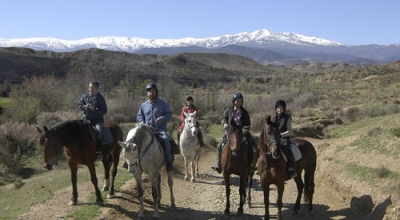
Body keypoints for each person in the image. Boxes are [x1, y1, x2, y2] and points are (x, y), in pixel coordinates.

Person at [211, 93, 257, 174]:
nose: (238, 103)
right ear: (234, 101)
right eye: (237, 101)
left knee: (251, 146)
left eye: (240, 101)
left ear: (242, 102)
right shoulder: (228, 111)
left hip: (243, 134)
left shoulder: (245, 112)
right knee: (219, 146)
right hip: (230, 133)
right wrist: (224, 123)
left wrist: (241, 134)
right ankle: (219, 165)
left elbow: (247, 125)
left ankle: (250, 166)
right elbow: (223, 118)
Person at [137, 83, 174, 172]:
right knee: (135, 141)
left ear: (156, 92)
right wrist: (141, 122)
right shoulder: (143, 105)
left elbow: (169, 114)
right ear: (147, 94)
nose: (151, 93)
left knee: (166, 140)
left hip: (159, 130)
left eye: (153, 91)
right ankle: (132, 162)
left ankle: (168, 163)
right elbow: (139, 116)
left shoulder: (162, 104)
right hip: (146, 131)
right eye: (149, 91)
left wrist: (163, 118)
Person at [77, 81, 107, 161]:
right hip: (85, 118)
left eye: (92, 88)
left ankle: (98, 152)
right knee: (76, 129)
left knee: (98, 132)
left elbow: (104, 111)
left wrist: (94, 109)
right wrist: (85, 106)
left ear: (97, 89)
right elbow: (79, 105)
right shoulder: (85, 96)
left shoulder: (101, 98)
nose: (91, 89)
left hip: (97, 120)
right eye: (90, 88)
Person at [272, 99, 297, 178]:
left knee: (287, 148)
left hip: (284, 138)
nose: (279, 110)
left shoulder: (287, 118)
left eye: (281, 108)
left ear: (284, 109)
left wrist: (281, 135)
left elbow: (289, 131)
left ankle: (290, 168)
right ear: (276, 108)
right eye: (278, 108)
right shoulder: (273, 117)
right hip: (273, 138)